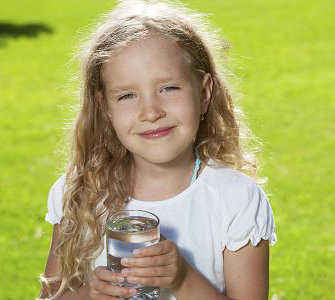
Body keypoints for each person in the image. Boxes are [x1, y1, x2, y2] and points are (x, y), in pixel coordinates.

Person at [39, 0, 277, 299]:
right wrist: (90, 294)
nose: (150, 112)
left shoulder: (235, 199)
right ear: (105, 109)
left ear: (203, 94)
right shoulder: (79, 193)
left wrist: (182, 277)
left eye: (168, 88)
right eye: (127, 95)